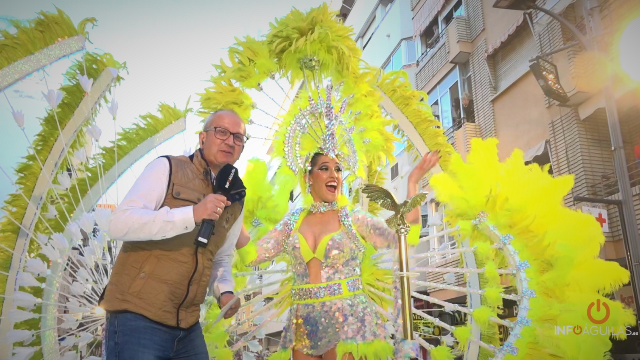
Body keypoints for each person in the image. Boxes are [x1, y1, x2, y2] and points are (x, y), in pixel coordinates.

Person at [233, 84, 440, 360]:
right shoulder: (293, 221)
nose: (334, 175)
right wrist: (233, 210)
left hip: (348, 320)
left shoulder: (352, 217)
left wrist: (413, 181)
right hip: (304, 321)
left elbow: (406, 231)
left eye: (338, 169)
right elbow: (252, 254)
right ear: (308, 178)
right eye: (325, 168)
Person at [100, 110, 247, 360]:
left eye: (239, 137)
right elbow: (120, 223)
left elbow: (221, 258)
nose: (230, 141)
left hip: (188, 326)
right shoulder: (167, 167)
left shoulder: (236, 198)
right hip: (138, 317)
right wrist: (192, 213)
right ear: (202, 138)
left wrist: (225, 291)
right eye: (222, 132)